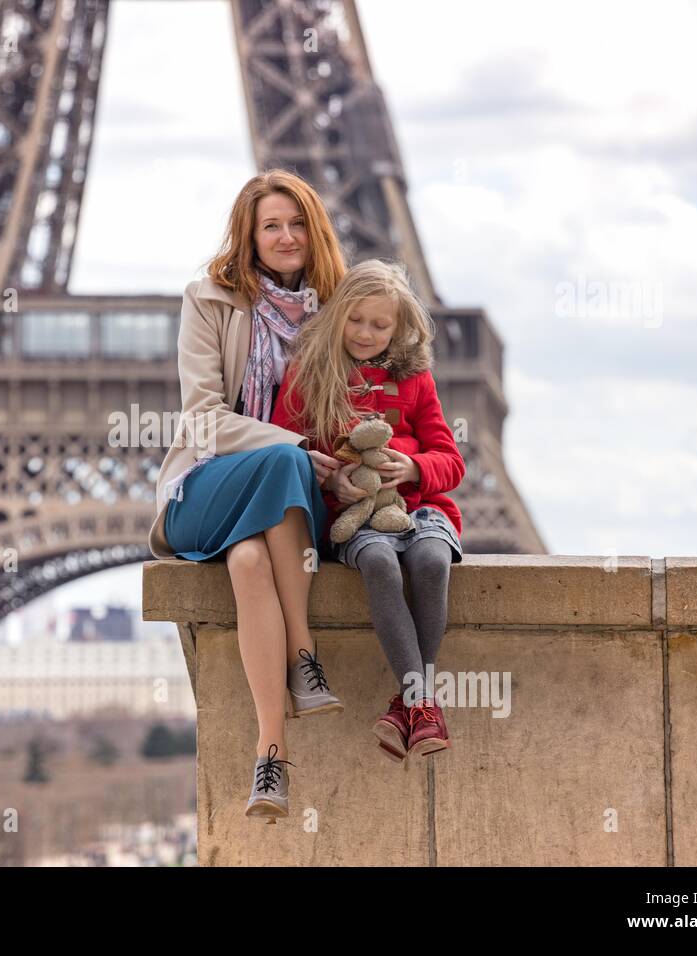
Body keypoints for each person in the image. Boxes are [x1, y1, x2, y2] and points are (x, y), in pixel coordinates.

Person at [148, 169, 349, 821]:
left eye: (297, 223)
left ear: (313, 231)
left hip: (294, 500)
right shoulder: (207, 299)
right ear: (249, 235)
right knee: (282, 456)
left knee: (248, 562)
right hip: (207, 487)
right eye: (271, 225)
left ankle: (271, 758)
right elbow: (202, 416)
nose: (286, 236)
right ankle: (303, 655)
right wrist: (285, 443)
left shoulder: (343, 310)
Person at [270, 258, 466, 764]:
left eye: (380, 325)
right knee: (378, 562)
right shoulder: (307, 376)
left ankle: (412, 700)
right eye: (356, 320)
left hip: (422, 510)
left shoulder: (418, 381)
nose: (365, 333)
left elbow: (451, 460)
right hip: (356, 514)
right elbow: (283, 449)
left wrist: (415, 468)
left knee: (430, 561)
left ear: (400, 329)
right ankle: (423, 702)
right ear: (337, 316)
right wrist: (330, 477)